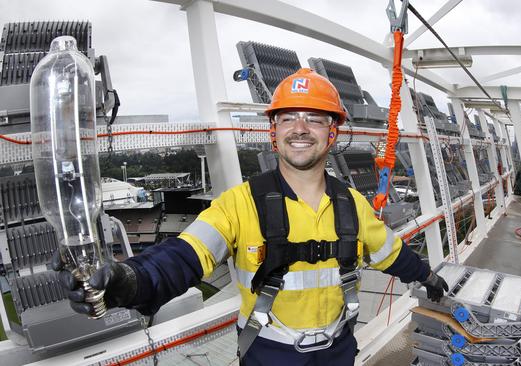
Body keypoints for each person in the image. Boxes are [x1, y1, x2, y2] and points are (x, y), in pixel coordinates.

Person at [53, 68, 448, 365]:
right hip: (268, 353)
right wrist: (129, 279)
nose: (299, 128)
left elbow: (392, 253)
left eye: (314, 118)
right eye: (287, 117)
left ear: (332, 132)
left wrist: (427, 277)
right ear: (272, 130)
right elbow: (184, 256)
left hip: (339, 349)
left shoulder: (352, 205)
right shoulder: (239, 204)